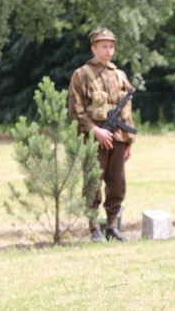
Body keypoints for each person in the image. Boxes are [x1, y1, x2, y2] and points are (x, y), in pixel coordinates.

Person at [68, 28, 136, 243]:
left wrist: (129, 141)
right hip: (93, 139)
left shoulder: (119, 75)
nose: (109, 50)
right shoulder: (81, 75)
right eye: (104, 46)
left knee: (117, 184)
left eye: (111, 46)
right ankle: (94, 227)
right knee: (93, 183)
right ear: (94, 48)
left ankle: (112, 226)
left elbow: (127, 110)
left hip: (118, 139)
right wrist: (95, 130)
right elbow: (74, 110)